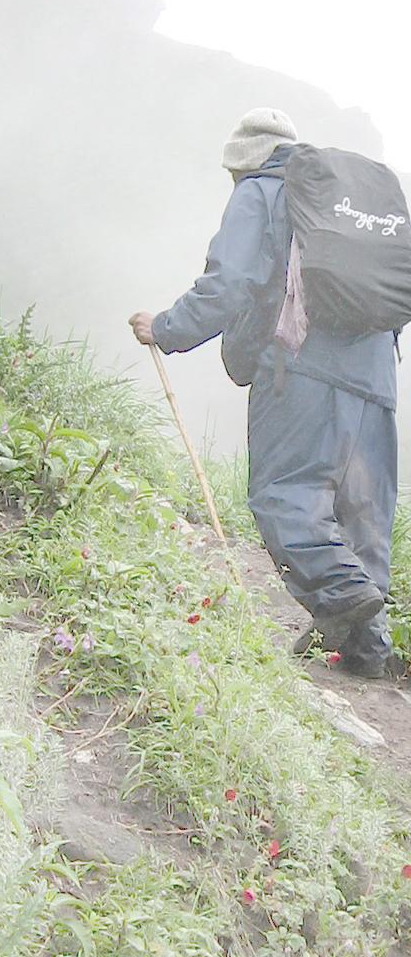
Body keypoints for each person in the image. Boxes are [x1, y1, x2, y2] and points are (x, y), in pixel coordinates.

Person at [129, 107, 402, 680]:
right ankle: (367, 649)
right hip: (377, 379)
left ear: (241, 161)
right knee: (361, 510)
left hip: (300, 370)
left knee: (285, 492)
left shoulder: (264, 190)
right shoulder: (345, 206)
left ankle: (342, 591)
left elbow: (230, 282)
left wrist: (168, 328)